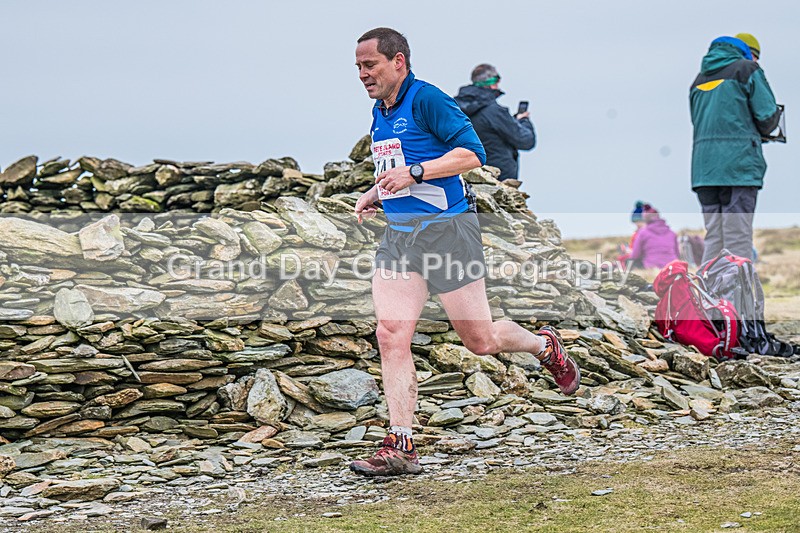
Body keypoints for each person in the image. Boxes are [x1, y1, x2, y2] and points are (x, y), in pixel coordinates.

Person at [351, 27, 580, 477]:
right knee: (390, 333)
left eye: (370, 64)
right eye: (358, 67)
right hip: (400, 238)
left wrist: (415, 173)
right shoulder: (381, 111)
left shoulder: (428, 99)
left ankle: (544, 346)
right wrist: (377, 192)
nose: (362, 74)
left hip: (449, 234)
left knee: (481, 342)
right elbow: (397, 166)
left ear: (398, 61)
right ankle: (401, 445)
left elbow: (473, 154)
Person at [690, 34, 781, 263]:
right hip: (737, 167)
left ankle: (709, 286)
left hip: (704, 171)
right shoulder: (747, 69)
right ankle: (737, 287)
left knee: (714, 237)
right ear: (748, 53)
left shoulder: (699, 79)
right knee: (737, 236)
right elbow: (767, 116)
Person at [453, 64, 536, 181]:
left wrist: (513, 120)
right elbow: (525, 141)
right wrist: (524, 121)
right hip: (496, 179)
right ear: (493, 83)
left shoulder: (456, 109)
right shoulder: (493, 111)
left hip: (464, 177)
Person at [628, 205, 679, 270]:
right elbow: (677, 253)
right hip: (672, 267)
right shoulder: (672, 233)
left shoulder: (643, 233)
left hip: (651, 267)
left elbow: (635, 255)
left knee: (630, 262)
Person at [616, 201, 647, 266]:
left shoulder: (646, 233)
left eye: (639, 221)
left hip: (641, 258)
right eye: (635, 221)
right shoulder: (636, 233)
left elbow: (640, 251)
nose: (637, 224)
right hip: (635, 255)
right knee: (621, 258)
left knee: (622, 259)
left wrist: (630, 251)